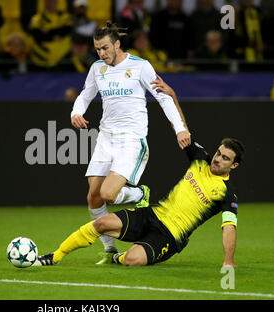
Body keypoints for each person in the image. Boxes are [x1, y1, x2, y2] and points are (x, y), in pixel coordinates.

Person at [35, 76, 244, 267]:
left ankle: (119, 257)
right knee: (101, 223)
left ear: (233, 166)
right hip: (152, 214)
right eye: (218, 153)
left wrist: (228, 261)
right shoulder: (200, 160)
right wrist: (172, 95)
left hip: (170, 236)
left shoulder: (227, 192)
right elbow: (181, 129)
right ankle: (55, 256)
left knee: (133, 260)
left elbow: (229, 227)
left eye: (225, 158)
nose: (217, 159)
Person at [68, 22, 191, 264]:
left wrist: (179, 129)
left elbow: (164, 97)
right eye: (97, 49)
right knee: (93, 197)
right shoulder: (96, 69)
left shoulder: (140, 66)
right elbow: (85, 94)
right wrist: (76, 112)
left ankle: (138, 192)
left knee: (108, 194)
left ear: (117, 44)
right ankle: (110, 249)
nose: (101, 53)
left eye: (105, 48)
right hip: (106, 139)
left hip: (131, 140)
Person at [27, 0, 73, 69]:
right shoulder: (37, 18)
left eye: (53, 1)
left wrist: (47, 32)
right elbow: (37, 35)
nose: (51, 3)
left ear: (57, 2)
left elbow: (67, 30)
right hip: (40, 60)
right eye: (48, 1)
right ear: (44, 3)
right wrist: (55, 35)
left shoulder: (65, 16)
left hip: (62, 60)